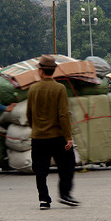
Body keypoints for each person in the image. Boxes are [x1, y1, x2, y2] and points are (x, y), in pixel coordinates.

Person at [26, 55, 78, 210]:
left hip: (38, 137)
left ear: (41, 71)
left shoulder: (33, 89)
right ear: (53, 71)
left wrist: (34, 128)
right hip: (57, 137)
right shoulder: (59, 88)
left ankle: (44, 200)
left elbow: (29, 113)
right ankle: (65, 194)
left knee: (40, 170)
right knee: (67, 165)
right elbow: (63, 114)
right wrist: (68, 137)